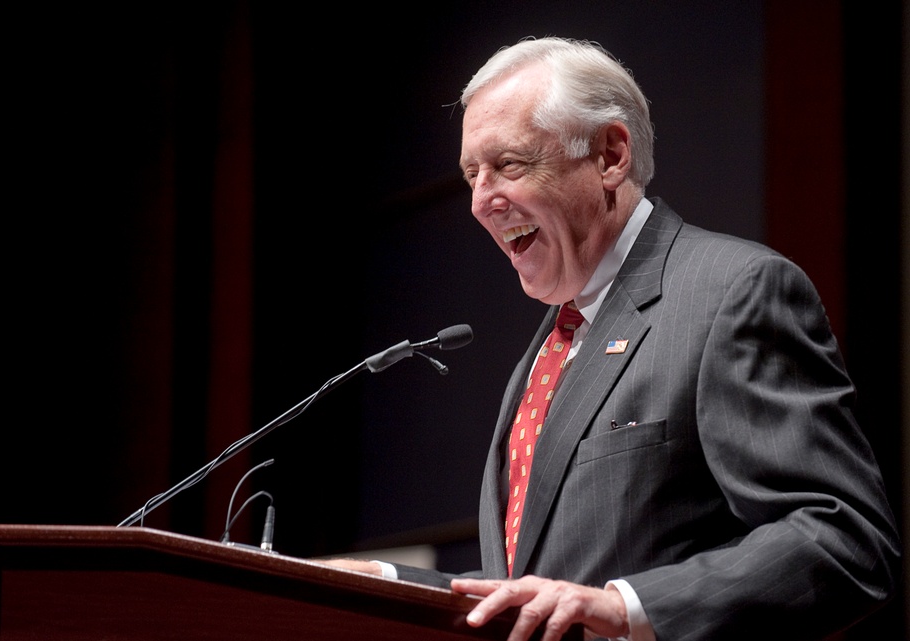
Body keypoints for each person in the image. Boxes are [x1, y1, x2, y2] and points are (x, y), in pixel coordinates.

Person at [321, 36, 901, 641]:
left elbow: (844, 541)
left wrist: (626, 609)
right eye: (471, 174)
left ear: (610, 155)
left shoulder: (731, 292)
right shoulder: (554, 342)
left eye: (510, 164)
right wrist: (382, 580)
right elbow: (540, 591)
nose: (480, 202)